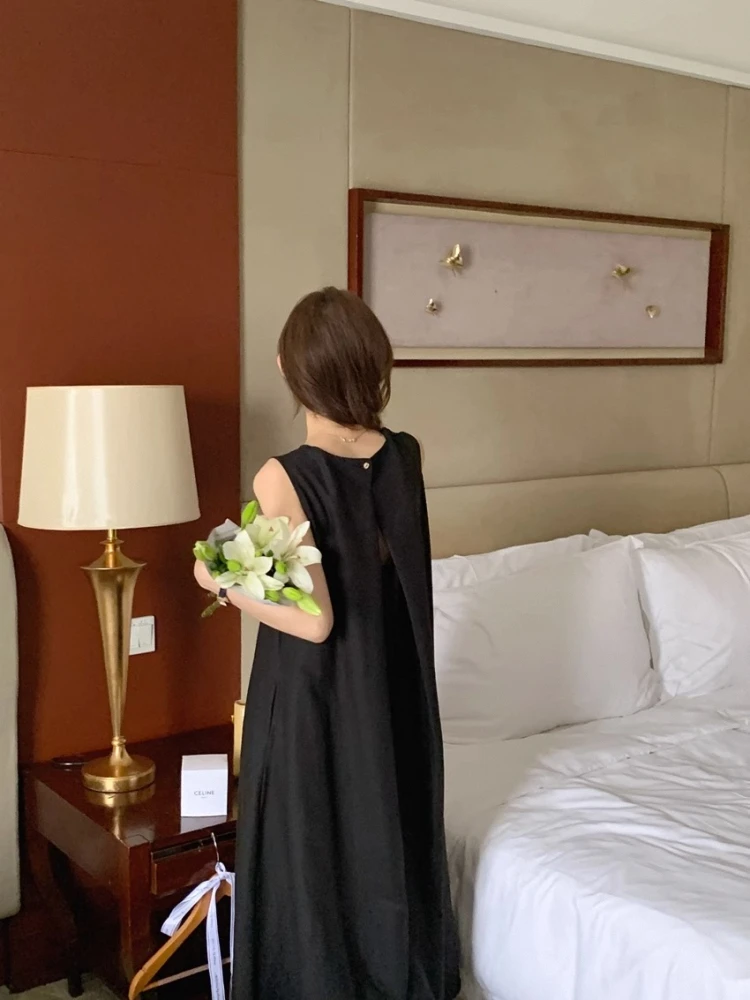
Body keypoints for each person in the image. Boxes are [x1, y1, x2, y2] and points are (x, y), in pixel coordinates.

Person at [194, 287, 460, 1000]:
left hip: (313, 697)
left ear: (290, 368)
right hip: (391, 688)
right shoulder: (405, 454)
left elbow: (313, 619)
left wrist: (218, 579)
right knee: (380, 832)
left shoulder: (285, 474)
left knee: (306, 849)